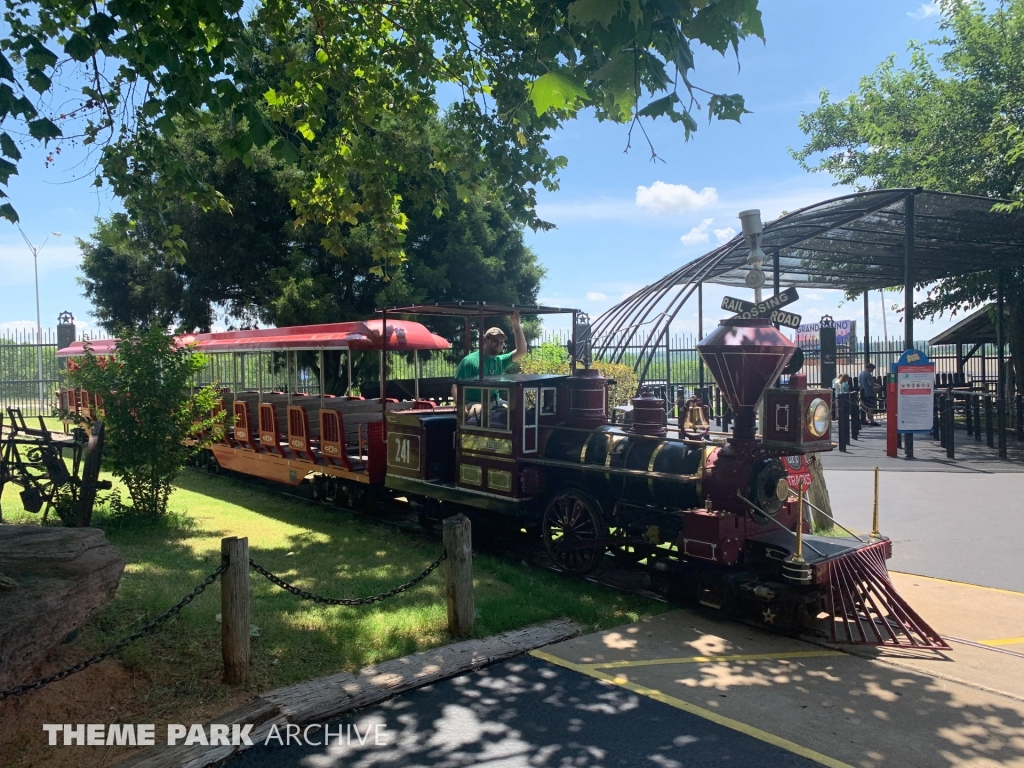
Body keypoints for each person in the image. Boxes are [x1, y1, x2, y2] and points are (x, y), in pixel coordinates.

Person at [453, 311, 528, 422]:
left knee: (520, 410)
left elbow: (522, 351)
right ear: (485, 340)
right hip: (474, 403)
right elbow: (455, 387)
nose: (499, 345)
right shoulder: (469, 361)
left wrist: (516, 326)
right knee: (486, 412)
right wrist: (462, 408)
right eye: (495, 341)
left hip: (496, 402)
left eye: (502, 343)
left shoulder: (500, 361)